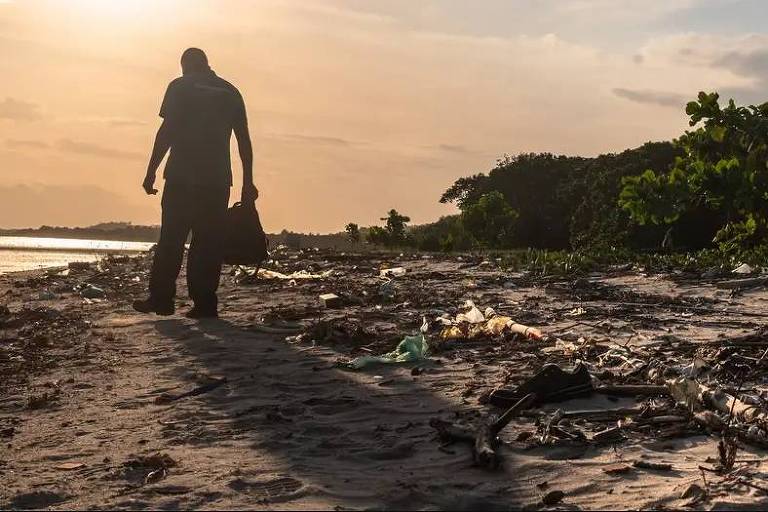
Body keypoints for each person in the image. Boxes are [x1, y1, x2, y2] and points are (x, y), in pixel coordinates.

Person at [133, 48, 257, 319]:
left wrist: (151, 170)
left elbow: (166, 132)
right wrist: (248, 183)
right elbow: (244, 142)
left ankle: (162, 299)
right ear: (206, 64)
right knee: (207, 243)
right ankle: (204, 304)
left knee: (171, 240)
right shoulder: (230, 91)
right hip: (217, 180)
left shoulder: (179, 87)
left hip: (181, 176)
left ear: (185, 66)